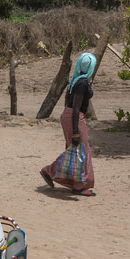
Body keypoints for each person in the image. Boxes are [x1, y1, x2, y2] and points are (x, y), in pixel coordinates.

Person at [41, 52, 97, 196]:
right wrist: (75, 131)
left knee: (74, 150)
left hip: (68, 114)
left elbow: (68, 102)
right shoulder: (82, 83)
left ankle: (68, 179)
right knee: (82, 151)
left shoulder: (75, 80)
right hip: (74, 116)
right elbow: (77, 108)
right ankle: (77, 184)